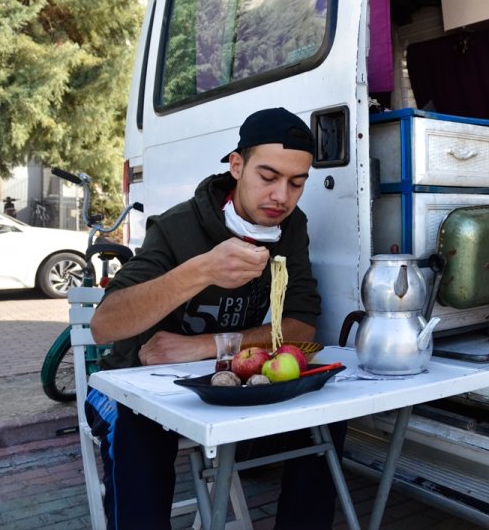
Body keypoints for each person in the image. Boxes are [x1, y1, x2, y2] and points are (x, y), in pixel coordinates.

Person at [86, 107, 344, 529]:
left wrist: (207, 346)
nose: (281, 196)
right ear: (237, 165)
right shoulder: (177, 226)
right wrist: (200, 271)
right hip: (135, 382)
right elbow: (105, 324)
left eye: (297, 183)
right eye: (268, 176)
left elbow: (301, 325)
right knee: (141, 435)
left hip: (224, 381)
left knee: (324, 417)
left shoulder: (291, 227)